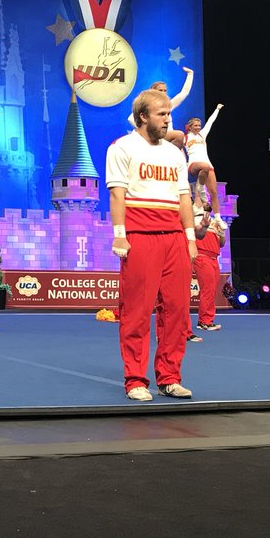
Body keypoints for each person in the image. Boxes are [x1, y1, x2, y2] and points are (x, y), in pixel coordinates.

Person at [107, 89, 198, 402]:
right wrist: (120, 234)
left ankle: (170, 377)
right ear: (143, 116)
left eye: (169, 114)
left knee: (177, 311)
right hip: (140, 236)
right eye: (162, 114)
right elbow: (117, 195)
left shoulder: (175, 154)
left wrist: (189, 237)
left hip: (174, 237)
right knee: (137, 311)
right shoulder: (121, 148)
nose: (168, 120)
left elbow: (184, 197)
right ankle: (135, 379)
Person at [184, 104, 224, 224]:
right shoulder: (185, 138)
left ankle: (217, 218)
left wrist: (217, 109)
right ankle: (200, 188)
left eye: (199, 125)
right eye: (195, 126)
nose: (198, 127)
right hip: (193, 165)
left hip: (207, 165)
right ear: (189, 127)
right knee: (204, 167)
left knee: (214, 192)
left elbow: (211, 121)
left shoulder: (202, 134)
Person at [126, 67, 194, 129]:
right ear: (153, 91)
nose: (163, 93)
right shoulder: (148, 105)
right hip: (158, 137)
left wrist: (190, 74)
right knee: (179, 135)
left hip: (167, 140)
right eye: (160, 90)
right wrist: (148, 131)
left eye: (165, 90)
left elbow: (184, 93)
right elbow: (131, 118)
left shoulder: (169, 105)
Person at [193, 210, 225, 332]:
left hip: (214, 257)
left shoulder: (217, 222)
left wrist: (222, 233)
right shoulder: (195, 217)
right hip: (202, 255)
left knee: (211, 289)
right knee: (207, 288)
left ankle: (208, 320)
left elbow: (221, 244)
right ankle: (203, 321)